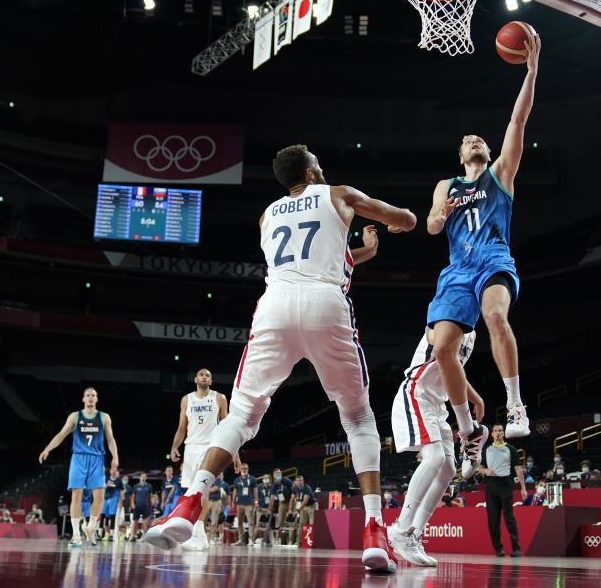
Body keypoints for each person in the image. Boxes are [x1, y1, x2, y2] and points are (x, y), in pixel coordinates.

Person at [145, 144, 416, 574]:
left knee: (240, 415)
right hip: (325, 302)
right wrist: (399, 224)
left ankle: (187, 503)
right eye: (318, 162)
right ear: (310, 172)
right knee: (359, 418)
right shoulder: (339, 193)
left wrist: (355, 248)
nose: (323, 166)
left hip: (275, 305)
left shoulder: (267, 216)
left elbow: (314, 251)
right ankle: (374, 531)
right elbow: (404, 218)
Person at [424, 34, 542, 467]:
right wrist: (442, 213)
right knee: (442, 350)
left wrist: (530, 72)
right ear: (460, 155)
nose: (473, 139)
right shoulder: (447, 185)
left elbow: (518, 121)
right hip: (457, 268)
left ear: (486, 151)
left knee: (495, 315)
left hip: (492, 256)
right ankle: (467, 428)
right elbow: (434, 225)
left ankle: (514, 403)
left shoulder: (500, 175)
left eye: (478, 138)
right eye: (467, 139)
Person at [387, 327, 481, 566]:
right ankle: (400, 528)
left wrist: (475, 397)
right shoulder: (444, 311)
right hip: (417, 393)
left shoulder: (472, 334)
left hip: (439, 405)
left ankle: (414, 535)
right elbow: (438, 347)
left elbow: (455, 371)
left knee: (449, 468)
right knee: (435, 457)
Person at [38, 386, 119, 548]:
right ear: (83, 399)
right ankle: (76, 535)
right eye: (88, 395)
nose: (90, 398)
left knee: (100, 495)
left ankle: (91, 527)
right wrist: (48, 448)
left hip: (97, 458)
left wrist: (115, 457)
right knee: (76, 495)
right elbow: (61, 435)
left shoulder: (104, 418)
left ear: (96, 399)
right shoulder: (75, 417)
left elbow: (110, 439)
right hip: (79, 458)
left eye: (93, 395)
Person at [169, 367, 237, 550]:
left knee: (202, 490)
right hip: (191, 447)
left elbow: (228, 427)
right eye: (201, 374)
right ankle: (196, 533)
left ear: (211, 381)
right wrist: (175, 447)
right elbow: (182, 427)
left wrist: (235, 453)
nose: (204, 377)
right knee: (191, 492)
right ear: (195, 379)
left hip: (210, 446)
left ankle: (199, 533)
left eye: (208, 375)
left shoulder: (219, 398)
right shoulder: (187, 399)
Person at [478, 424, 525, 558]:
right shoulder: (486, 449)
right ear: (492, 434)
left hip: (506, 484)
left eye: (500, 431)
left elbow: (518, 469)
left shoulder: (510, 449)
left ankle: (516, 548)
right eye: (495, 431)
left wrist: (523, 488)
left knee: (509, 518)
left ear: (503, 433)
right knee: (493, 520)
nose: (498, 433)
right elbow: (480, 468)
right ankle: (498, 548)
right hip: (491, 485)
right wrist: (485, 471)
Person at [231, 463, 256, 546]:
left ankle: (251, 539)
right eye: (243, 468)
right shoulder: (237, 480)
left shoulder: (252, 479)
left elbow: (255, 490)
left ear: (248, 469)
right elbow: (235, 491)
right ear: (240, 469)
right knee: (239, 522)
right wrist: (233, 501)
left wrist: (256, 501)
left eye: (246, 468)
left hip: (249, 503)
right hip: (239, 504)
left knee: (251, 522)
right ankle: (241, 539)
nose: (244, 470)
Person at [288, 476, 317, 546]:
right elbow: (292, 499)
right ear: (295, 482)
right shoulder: (295, 488)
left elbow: (305, 500)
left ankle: (311, 543)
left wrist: (298, 510)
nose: (299, 482)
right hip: (303, 507)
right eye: (297, 480)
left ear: (303, 481)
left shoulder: (307, 488)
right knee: (301, 524)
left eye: (300, 480)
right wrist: (290, 510)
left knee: (311, 524)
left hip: (311, 506)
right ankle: (298, 542)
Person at [206, 473, 229, 544]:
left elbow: (216, 488)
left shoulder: (219, 480)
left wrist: (207, 490)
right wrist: (211, 489)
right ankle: (205, 536)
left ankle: (213, 538)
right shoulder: (208, 478)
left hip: (217, 502)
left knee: (214, 522)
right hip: (207, 501)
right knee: (203, 521)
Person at [129, 473, 153, 539]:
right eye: (142, 476)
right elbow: (133, 496)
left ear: (146, 478)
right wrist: (132, 504)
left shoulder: (149, 486)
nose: (143, 478)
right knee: (135, 521)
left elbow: (151, 497)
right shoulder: (136, 486)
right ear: (140, 478)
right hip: (137, 506)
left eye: (144, 477)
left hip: (146, 506)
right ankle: (133, 535)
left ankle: (144, 536)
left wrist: (151, 505)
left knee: (145, 522)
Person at [101, 465, 121, 540]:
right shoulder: (106, 480)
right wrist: (107, 485)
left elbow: (121, 494)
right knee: (106, 518)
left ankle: (115, 535)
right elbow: (102, 490)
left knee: (116, 519)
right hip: (107, 501)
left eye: (117, 474)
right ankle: (106, 534)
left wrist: (119, 502)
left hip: (116, 503)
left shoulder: (119, 483)